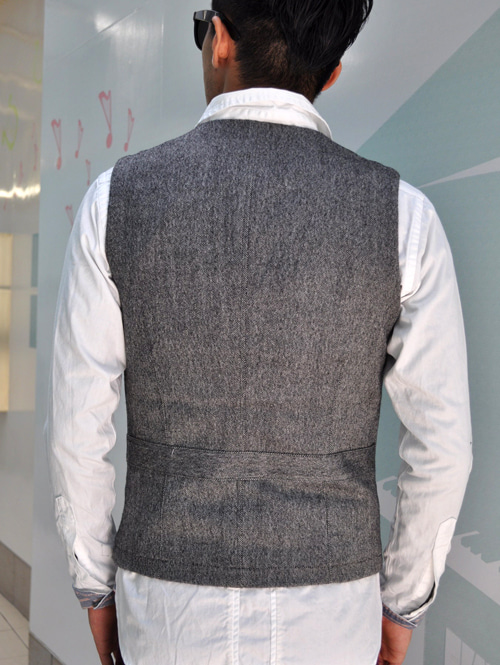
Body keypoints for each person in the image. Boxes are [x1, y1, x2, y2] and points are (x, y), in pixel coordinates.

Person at [46, 1, 472, 664]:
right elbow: (443, 448)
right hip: (334, 610)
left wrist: (96, 589)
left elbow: (77, 431)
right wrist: (401, 606)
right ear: (330, 74)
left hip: (165, 606)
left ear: (219, 40)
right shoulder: (404, 218)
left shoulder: (115, 200)